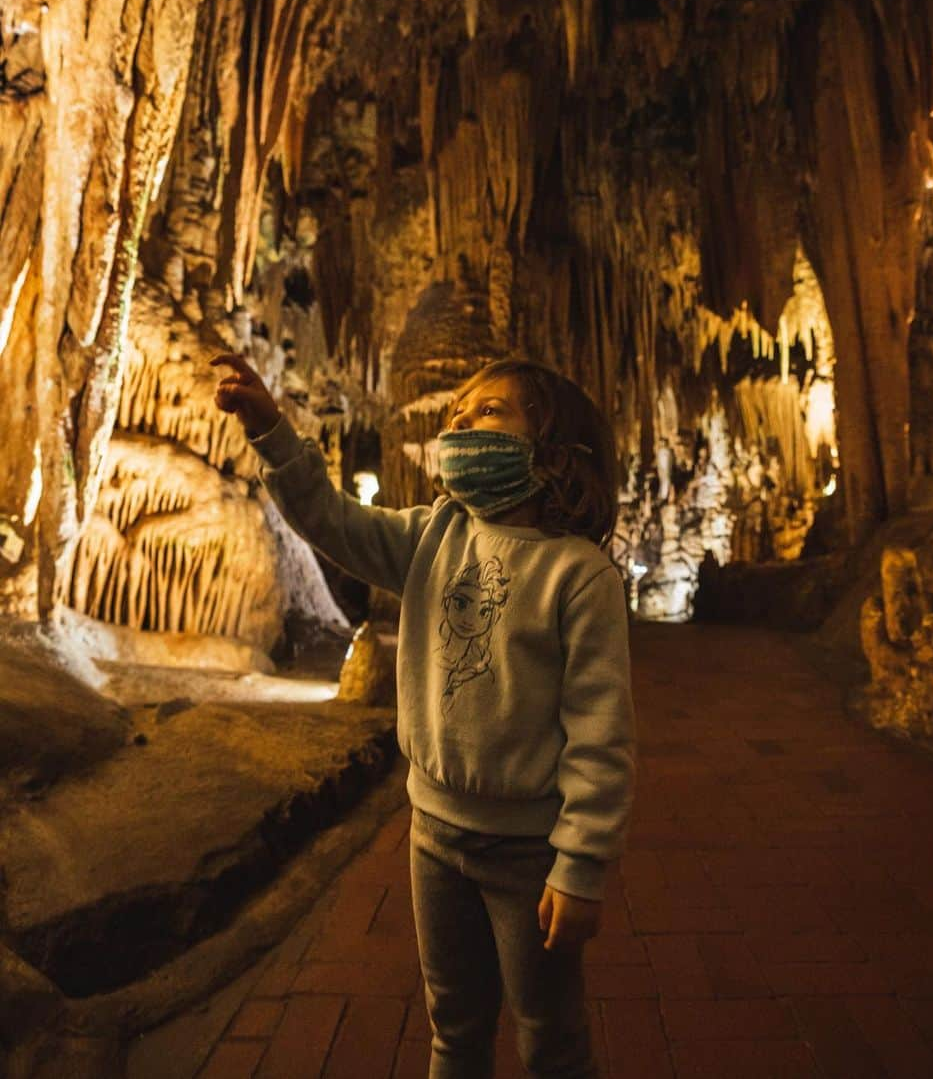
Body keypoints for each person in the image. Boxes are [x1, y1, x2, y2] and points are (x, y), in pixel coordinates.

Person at [212, 352, 636, 1079]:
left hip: (528, 852)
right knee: (454, 1025)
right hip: (432, 835)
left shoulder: (579, 575)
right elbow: (331, 520)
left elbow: (601, 735)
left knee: (549, 1036)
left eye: (489, 412)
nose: (462, 423)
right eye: (457, 415)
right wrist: (272, 430)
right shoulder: (434, 537)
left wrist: (581, 867)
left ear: (551, 450)